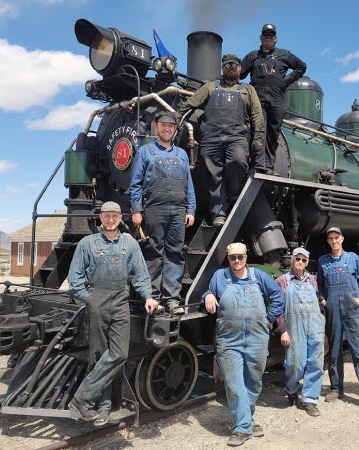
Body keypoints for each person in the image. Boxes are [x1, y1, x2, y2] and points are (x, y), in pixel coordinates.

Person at [68, 201, 158, 426]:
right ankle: (103, 406)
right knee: (98, 356)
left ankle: (80, 400)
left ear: (120, 218)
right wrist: (90, 299)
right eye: (106, 216)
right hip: (97, 300)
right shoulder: (87, 243)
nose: (110, 220)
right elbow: (75, 278)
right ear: (101, 218)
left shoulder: (129, 243)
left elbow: (140, 274)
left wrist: (147, 295)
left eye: (114, 216)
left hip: (120, 302)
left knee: (118, 354)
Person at [203, 242, 284, 447]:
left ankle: (247, 418)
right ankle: (242, 427)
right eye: (233, 258)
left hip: (257, 337)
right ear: (228, 259)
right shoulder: (220, 277)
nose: (237, 261)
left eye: (240, 257)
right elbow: (207, 293)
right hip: (229, 340)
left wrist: (270, 318)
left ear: (246, 257)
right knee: (234, 384)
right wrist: (208, 295)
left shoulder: (259, 276)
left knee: (254, 381)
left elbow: (277, 295)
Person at [176, 54, 264, 227]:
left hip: (237, 136)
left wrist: (259, 135)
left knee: (238, 162)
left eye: (234, 65)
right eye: (227, 65)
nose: (230, 68)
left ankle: (232, 193)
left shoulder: (248, 90)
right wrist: (177, 115)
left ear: (239, 68)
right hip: (211, 137)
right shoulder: (210, 87)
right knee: (214, 176)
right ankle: (218, 214)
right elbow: (191, 103)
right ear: (223, 68)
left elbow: (257, 115)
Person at [129, 110, 196, 315]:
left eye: (171, 126)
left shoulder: (182, 154)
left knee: (175, 254)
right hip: (154, 209)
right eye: (163, 125)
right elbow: (136, 184)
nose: (167, 129)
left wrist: (190, 209)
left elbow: (189, 185)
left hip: (177, 210)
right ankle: (153, 298)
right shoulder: (145, 152)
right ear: (157, 127)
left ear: (175, 129)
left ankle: (172, 300)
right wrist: (137, 210)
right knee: (154, 254)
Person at [316, 226, 359, 415]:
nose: (334, 241)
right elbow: (319, 285)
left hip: (351, 309)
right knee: (334, 351)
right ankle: (336, 389)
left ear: (342, 239)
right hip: (333, 309)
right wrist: (323, 300)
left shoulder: (352, 258)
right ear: (328, 241)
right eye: (330, 238)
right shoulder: (323, 261)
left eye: (337, 237)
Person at [241, 23, 307, 174]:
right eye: (265, 35)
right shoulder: (253, 56)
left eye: (271, 35)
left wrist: (286, 82)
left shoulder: (284, 54)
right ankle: (256, 164)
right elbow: (240, 73)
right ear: (261, 37)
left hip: (277, 97)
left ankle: (269, 166)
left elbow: (301, 66)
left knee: (273, 131)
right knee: (258, 130)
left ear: (275, 38)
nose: (268, 37)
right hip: (257, 97)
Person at [276, 247, 325, 417]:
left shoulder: (312, 280)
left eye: (304, 260)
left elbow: (320, 300)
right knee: (295, 363)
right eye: (298, 259)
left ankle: (310, 399)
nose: (300, 263)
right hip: (293, 326)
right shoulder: (283, 281)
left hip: (314, 325)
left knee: (316, 363)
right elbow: (277, 307)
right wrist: (283, 330)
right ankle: (291, 389)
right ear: (292, 259)